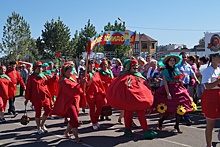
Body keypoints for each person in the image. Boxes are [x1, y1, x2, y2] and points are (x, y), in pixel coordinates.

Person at [106, 59, 157, 139]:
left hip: (139, 100)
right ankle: (130, 130)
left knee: (139, 113)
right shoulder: (125, 77)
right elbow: (124, 87)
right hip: (130, 100)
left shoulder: (139, 75)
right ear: (129, 67)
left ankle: (143, 130)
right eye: (134, 66)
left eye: (136, 66)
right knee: (129, 113)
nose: (136, 67)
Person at [153, 54, 196, 133]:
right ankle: (161, 121)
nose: (172, 62)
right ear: (167, 62)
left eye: (173, 60)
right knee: (169, 109)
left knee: (180, 107)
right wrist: (168, 93)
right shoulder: (165, 71)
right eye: (171, 60)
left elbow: (178, 78)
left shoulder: (176, 69)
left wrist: (180, 81)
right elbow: (165, 82)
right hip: (170, 89)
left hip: (177, 88)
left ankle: (177, 125)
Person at [52, 64, 82, 143]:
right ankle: (76, 137)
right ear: (65, 72)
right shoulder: (64, 81)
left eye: (71, 69)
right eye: (68, 69)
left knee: (73, 118)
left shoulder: (71, 79)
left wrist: (82, 83)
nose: (70, 70)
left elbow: (77, 87)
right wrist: (81, 84)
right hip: (68, 103)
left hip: (74, 101)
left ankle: (66, 132)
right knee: (75, 119)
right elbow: (73, 89)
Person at [24, 62, 52, 134]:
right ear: (35, 68)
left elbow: (50, 84)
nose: (40, 69)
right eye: (38, 67)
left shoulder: (44, 76)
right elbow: (28, 88)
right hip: (36, 97)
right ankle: (38, 127)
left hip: (45, 96)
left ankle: (42, 125)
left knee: (48, 110)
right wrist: (27, 98)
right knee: (38, 112)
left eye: (41, 67)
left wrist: (54, 78)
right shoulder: (31, 77)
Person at [201, 53, 220, 147]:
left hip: (219, 95)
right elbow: (207, 86)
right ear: (213, 58)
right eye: (219, 56)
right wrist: (218, 81)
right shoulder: (207, 71)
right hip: (211, 97)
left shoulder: (219, 69)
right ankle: (209, 145)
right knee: (210, 123)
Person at [82, 59, 105, 130]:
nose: (92, 65)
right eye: (90, 64)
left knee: (99, 107)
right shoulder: (86, 74)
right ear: (87, 66)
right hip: (90, 93)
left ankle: (96, 120)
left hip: (97, 92)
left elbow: (99, 82)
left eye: (93, 64)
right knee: (92, 108)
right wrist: (88, 82)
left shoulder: (96, 73)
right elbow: (85, 86)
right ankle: (93, 122)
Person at [178, 52, 199, 125]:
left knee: (186, 100)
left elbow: (192, 74)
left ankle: (182, 115)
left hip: (186, 85)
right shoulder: (177, 65)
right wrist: (179, 80)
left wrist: (196, 79)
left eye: (186, 57)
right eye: (183, 57)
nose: (184, 59)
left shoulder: (188, 66)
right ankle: (184, 116)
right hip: (178, 85)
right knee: (182, 101)